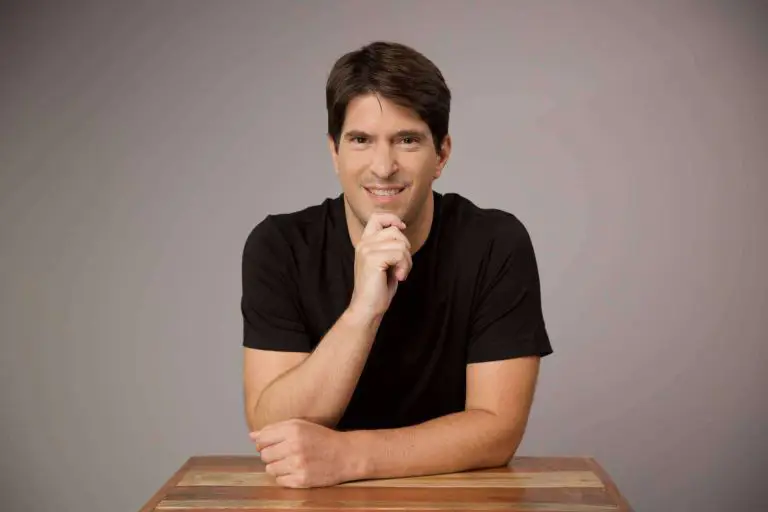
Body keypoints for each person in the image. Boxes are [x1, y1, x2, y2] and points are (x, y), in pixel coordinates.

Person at [241, 41, 553, 489]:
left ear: (441, 154)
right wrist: (363, 312)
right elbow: (274, 428)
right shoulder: (280, 246)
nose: (383, 167)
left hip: (456, 498)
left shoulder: (495, 243)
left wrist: (351, 456)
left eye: (407, 140)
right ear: (334, 152)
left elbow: (498, 430)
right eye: (361, 140)